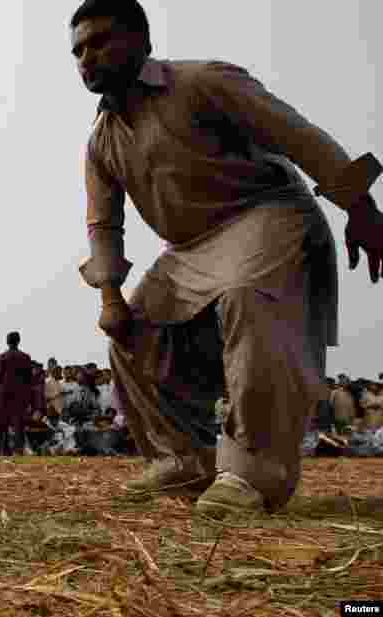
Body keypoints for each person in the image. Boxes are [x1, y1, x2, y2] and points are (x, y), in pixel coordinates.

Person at [70, 0, 383, 516]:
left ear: (142, 42)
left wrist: (362, 207)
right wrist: (110, 297)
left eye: (101, 41)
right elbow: (104, 225)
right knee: (129, 331)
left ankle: (253, 474)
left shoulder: (202, 82)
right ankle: (185, 460)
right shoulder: (101, 142)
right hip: (189, 251)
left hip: (266, 214)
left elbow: (295, 134)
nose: (88, 57)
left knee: (247, 298)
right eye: (79, 49)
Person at [0, 332, 33, 456]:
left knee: (3, 422)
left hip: (4, 393)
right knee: (19, 423)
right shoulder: (25, 357)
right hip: (20, 394)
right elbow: (29, 379)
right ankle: (18, 450)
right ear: (18, 341)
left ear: (7, 342)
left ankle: (3, 450)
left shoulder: (2, 357)